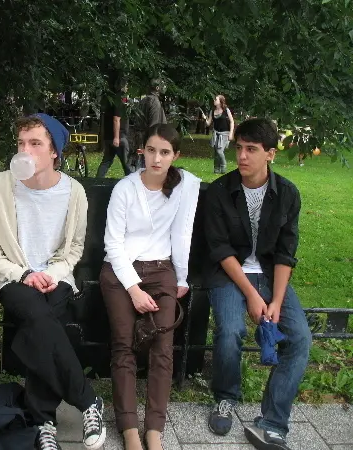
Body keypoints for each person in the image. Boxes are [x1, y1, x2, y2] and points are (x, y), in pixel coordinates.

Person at [0, 113, 106, 450]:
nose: (25, 151)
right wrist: (24, 274)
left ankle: (43, 420)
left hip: (56, 276)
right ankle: (89, 400)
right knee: (40, 317)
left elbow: (74, 247)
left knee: (43, 326)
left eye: (35, 143)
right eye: (21, 143)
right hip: (13, 277)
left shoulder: (73, 191)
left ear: (54, 152)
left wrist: (54, 273)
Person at [204, 118, 311, 450]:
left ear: (271, 154)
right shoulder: (220, 191)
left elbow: (285, 252)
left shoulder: (287, 194)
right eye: (239, 148)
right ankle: (225, 397)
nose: (242, 156)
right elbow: (219, 249)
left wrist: (276, 300)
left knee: (300, 339)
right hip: (229, 273)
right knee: (231, 329)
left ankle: (273, 421)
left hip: (268, 273)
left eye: (251, 149)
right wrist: (252, 294)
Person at [100, 124, 200, 450]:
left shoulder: (183, 187)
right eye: (152, 150)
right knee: (123, 345)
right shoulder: (125, 189)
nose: (157, 159)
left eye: (165, 152)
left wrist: (181, 278)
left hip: (162, 271)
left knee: (163, 349)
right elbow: (113, 244)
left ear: (176, 156)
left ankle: (154, 429)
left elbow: (182, 234)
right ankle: (129, 427)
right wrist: (133, 289)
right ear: (142, 150)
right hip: (120, 272)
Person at [96, 80, 132, 177]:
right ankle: (133, 184)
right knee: (127, 164)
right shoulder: (119, 100)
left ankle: (98, 181)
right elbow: (116, 119)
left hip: (108, 137)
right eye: (126, 85)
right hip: (119, 137)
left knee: (106, 162)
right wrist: (116, 137)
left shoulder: (108, 99)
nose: (127, 88)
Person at [202, 95, 235, 174]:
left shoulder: (226, 110)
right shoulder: (212, 111)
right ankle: (216, 169)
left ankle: (223, 166)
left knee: (219, 151)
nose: (214, 100)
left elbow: (232, 121)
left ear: (220, 101)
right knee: (216, 153)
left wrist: (231, 133)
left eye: (216, 99)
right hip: (215, 133)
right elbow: (208, 123)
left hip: (224, 134)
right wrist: (204, 118)